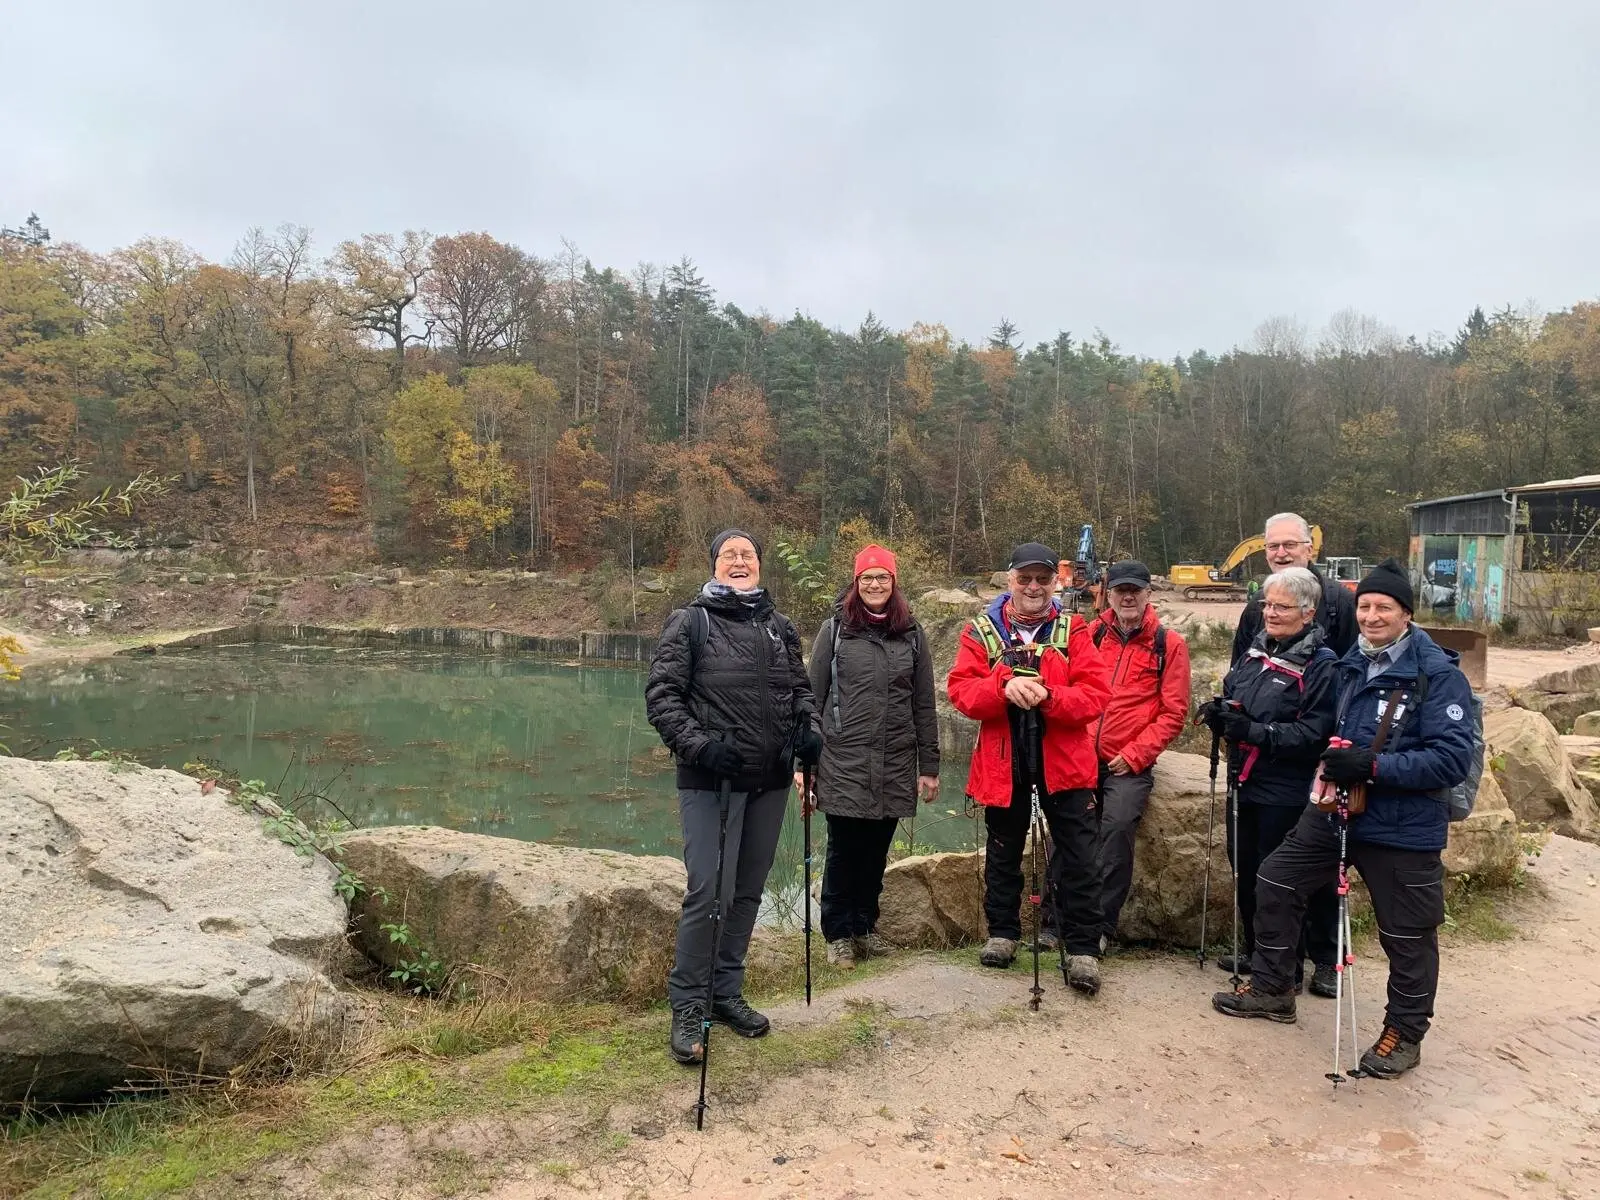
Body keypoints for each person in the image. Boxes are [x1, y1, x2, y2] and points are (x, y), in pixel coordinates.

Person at [1213, 559, 1473, 1078]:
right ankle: (1273, 987)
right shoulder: (1355, 662)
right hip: (1337, 810)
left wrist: (1373, 765)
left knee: (1407, 932)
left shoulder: (1438, 676)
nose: (1373, 616)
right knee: (1276, 878)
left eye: (1384, 607)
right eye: (1365, 607)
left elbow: (1451, 760)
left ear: (1406, 614)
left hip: (1402, 823)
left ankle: (1404, 1032)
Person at [645, 529, 822, 1066]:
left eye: (748, 555)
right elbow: (662, 697)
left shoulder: (780, 627)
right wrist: (699, 747)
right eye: (730, 555)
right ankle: (689, 1004)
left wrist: (808, 732)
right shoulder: (690, 622)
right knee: (708, 891)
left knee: (746, 892)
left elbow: (800, 693)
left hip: (768, 780)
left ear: (760, 566)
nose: (739, 562)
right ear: (715, 565)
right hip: (710, 781)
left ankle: (725, 992)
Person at [947, 542, 1112, 994]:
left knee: (1080, 857)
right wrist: (1003, 686)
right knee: (1002, 854)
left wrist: (1051, 697)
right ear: (1010, 580)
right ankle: (1002, 934)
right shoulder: (979, 630)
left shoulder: (1074, 629)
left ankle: (1081, 948)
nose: (1034, 587)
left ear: (1055, 582)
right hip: (1003, 763)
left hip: (1066, 764)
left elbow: (1095, 695)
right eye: (1025, 578)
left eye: (1043, 579)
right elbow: (961, 693)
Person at [1199, 567, 1341, 997]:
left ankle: (1285, 970)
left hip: (1286, 788)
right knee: (1244, 868)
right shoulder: (1257, 650)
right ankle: (1258, 951)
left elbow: (1315, 733)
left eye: (1281, 607)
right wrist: (1222, 710)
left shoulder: (1322, 665)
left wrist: (1255, 732)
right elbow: (1236, 691)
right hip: (1245, 778)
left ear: (1307, 611)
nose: (1270, 613)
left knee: (1276, 877)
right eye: (1267, 605)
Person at [800, 544, 940, 970]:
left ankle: (864, 927)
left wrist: (929, 766)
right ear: (856, 583)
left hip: (896, 760)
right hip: (842, 759)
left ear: (893, 582)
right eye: (867, 578)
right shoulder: (836, 630)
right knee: (844, 849)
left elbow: (924, 703)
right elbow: (811, 699)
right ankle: (838, 934)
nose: (875, 584)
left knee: (877, 851)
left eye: (882, 577)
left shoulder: (912, 634)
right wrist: (802, 764)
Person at [1087, 560, 1192, 947]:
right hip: (1083, 757)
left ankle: (1099, 926)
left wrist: (1134, 754)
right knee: (1068, 830)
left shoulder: (1169, 644)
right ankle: (1053, 921)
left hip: (1128, 763)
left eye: (1135, 590)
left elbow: (1173, 712)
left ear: (1149, 594)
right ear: (1108, 595)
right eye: (1120, 590)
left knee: (1115, 830)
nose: (1127, 597)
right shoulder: (1091, 634)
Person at [1230, 513, 1357, 666]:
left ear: (1309, 550)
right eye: (1273, 546)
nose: (1281, 553)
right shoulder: (1256, 606)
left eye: (1290, 545)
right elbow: (1237, 672)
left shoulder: (1341, 603)